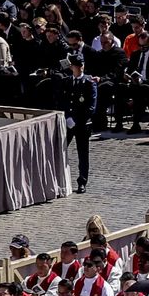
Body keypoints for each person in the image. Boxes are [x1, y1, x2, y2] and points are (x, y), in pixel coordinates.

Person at [57, 52, 97, 193]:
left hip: (82, 124)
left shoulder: (89, 83)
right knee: (60, 150)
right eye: (76, 66)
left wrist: (77, 120)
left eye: (80, 65)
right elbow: (62, 100)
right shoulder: (67, 82)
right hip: (68, 123)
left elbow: (91, 107)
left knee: (83, 154)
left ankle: (82, 181)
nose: (79, 68)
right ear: (71, 67)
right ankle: (59, 179)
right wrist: (67, 117)